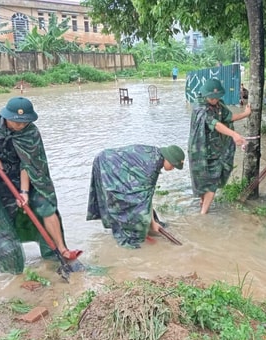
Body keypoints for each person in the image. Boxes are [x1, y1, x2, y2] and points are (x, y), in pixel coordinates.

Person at [0, 97, 82, 274]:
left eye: (25, 122)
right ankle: (14, 272)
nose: (20, 126)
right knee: (2, 226)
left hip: (25, 180)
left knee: (46, 206)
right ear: (6, 116)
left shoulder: (30, 133)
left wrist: (24, 192)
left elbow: (30, 163)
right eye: (17, 122)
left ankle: (61, 251)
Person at [87, 144, 185, 248]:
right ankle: (131, 233)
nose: (173, 168)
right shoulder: (151, 166)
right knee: (126, 202)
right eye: (173, 166)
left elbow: (147, 194)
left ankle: (142, 228)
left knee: (138, 205)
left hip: (111, 161)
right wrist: (151, 222)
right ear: (168, 159)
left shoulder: (156, 155)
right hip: (107, 165)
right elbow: (145, 198)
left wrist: (152, 221)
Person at [188, 78, 250, 214]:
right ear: (205, 95)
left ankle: (203, 208)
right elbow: (215, 123)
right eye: (212, 98)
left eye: (217, 98)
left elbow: (228, 117)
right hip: (200, 150)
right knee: (204, 180)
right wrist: (234, 134)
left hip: (216, 149)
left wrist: (245, 114)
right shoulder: (200, 107)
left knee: (213, 180)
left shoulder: (218, 104)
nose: (215, 100)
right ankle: (203, 214)